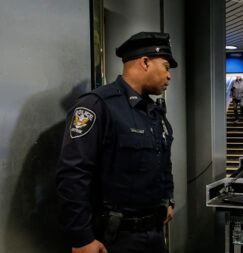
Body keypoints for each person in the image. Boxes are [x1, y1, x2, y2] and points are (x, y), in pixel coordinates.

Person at [56, 32, 177, 253]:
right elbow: (73, 174)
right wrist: (82, 238)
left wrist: (168, 198)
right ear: (145, 62)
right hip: (115, 238)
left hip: (154, 234)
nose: (169, 76)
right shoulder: (97, 106)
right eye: (166, 67)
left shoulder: (153, 112)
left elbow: (163, 160)